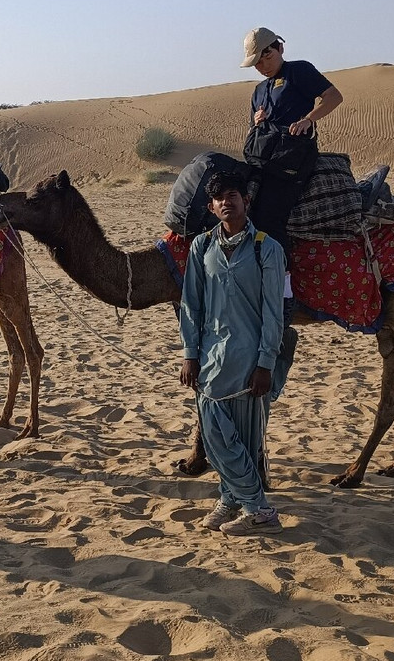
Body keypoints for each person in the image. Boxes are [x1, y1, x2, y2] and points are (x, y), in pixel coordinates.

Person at [179, 171, 285, 536]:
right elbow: (191, 304)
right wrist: (190, 353)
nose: (228, 201)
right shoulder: (201, 247)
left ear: (246, 201)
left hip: (249, 362)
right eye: (220, 197)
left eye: (233, 195)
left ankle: (257, 509)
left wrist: (266, 363)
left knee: (242, 438)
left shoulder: (266, 248)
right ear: (211, 207)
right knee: (215, 435)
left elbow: (275, 312)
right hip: (209, 360)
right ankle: (234, 498)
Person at [240, 27, 343, 256]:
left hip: (293, 159)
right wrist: (258, 123)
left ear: (281, 48)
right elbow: (251, 133)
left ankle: (284, 285)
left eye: (268, 57)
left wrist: (308, 119)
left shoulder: (298, 71)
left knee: (269, 217)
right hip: (262, 160)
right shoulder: (258, 91)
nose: (263, 66)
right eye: (257, 62)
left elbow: (334, 96)